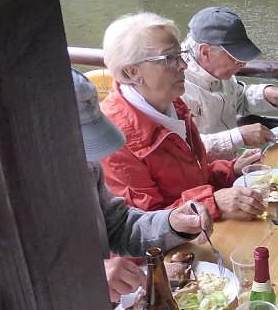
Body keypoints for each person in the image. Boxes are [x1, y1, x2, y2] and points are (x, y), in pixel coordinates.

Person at [99, 12, 266, 221]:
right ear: (132, 72)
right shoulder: (114, 137)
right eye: (169, 58)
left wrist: (231, 170)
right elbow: (145, 223)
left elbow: (195, 178)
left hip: (201, 231)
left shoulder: (173, 105)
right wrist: (213, 202)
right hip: (169, 250)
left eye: (180, 55)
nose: (183, 65)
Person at [72, 69, 213, 301]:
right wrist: (87, 274)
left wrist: (171, 223)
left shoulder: (88, 166)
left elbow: (119, 226)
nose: (85, 155)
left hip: (108, 309)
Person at [181, 6, 278, 159]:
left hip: (229, 169)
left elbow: (239, 98)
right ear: (205, 52)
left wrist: (267, 93)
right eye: (235, 57)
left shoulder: (219, 73)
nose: (242, 64)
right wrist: (237, 137)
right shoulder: (175, 85)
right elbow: (180, 148)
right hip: (199, 177)